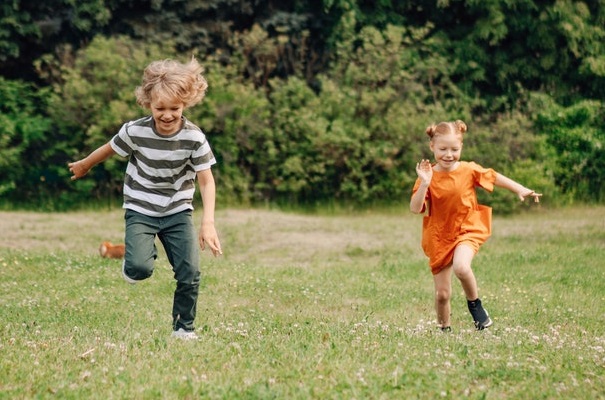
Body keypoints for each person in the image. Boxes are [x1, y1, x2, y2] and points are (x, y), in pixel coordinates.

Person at [68, 58, 223, 340]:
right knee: (139, 268)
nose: (166, 115)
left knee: (190, 272)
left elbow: (206, 179)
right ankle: (135, 261)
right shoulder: (135, 131)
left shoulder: (194, 138)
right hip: (140, 207)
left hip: (177, 210)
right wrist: (85, 165)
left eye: (174, 108)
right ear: (147, 103)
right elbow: (108, 149)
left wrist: (208, 223)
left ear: (185, 104)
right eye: (159, 108)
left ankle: (183, 328)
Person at [410, 120, 541, 331]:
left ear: (461, 147)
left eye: (455, 149)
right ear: (432, 147)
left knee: (462, 267)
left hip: (467, 228)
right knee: (442, 295)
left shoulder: (468, 169)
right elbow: (416, 209)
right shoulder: (428, 176)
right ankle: (444, 330)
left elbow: (494, 176)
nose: (449, 154)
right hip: (439, 235)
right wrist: (424, 183)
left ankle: (475, 305)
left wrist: (520, 189)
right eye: (443, 149)